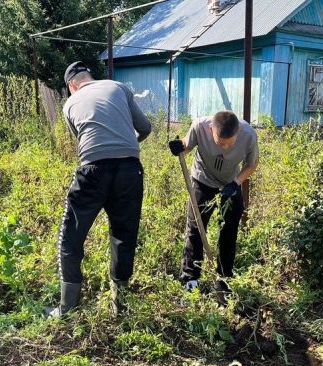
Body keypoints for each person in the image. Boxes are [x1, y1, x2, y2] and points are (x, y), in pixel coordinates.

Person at [47, 61, 151, 317]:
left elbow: (83, 143)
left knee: (71, 236)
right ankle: (120, 306)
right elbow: (145, 128)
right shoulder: (118, 87)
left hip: (93, 171)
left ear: (72, 85)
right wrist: (125, 148)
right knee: (124, 236)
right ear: (89, 77)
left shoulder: (70, 103)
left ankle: (68, 307)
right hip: (130, 170)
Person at [168, 110, 259, 297]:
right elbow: (187, 145)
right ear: (211, 130)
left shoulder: (248, 135)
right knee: (195, 229)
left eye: (230, 143)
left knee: (229, 231)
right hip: (202, 181)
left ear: (238, 130)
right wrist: (179, 147)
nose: (225, 148)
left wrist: (236, 183)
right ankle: (190, 279)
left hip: (231, 184)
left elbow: (251, 165)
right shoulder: (200, 126)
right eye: (220, 143)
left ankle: (224, 280)